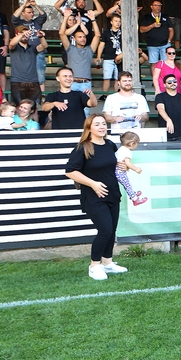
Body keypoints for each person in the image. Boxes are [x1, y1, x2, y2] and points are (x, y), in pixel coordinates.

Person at [64, 114, 128, 281]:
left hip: (112, 193)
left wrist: (122, 166)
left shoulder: (110, 145)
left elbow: (113, 168)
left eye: (103, 123)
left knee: (112, 230)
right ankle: (94, 266)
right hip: (93, 196)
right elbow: (70, 171)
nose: (101, 126)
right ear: (89, 128)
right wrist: (93, 184)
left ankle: (108, 263)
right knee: (105, 229)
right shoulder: (83, 147)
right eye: (97, 124)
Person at [114, 131, 148, 206]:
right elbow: (127, 162)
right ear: (132, 143)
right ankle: (135, 199)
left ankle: (133, 194)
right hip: (120, 172)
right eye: (137, 143)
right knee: (127, 185)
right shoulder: (127, 151)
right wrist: (136, 169)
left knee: (127, 184)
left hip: (116, 170)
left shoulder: (121, 149)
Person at [138, 0, 173, 65]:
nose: (158, 7)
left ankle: (165, 75)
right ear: (151, 7)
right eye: (156, 5)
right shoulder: (147, 17)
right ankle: (154, 75)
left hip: (165, 44)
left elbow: (171, 30)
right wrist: (152, 25)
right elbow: (141, 30)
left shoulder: (165, 16)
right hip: (152, 44)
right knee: (153, 63)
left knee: (166, 63)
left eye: (159, 5)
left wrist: (169, 41)